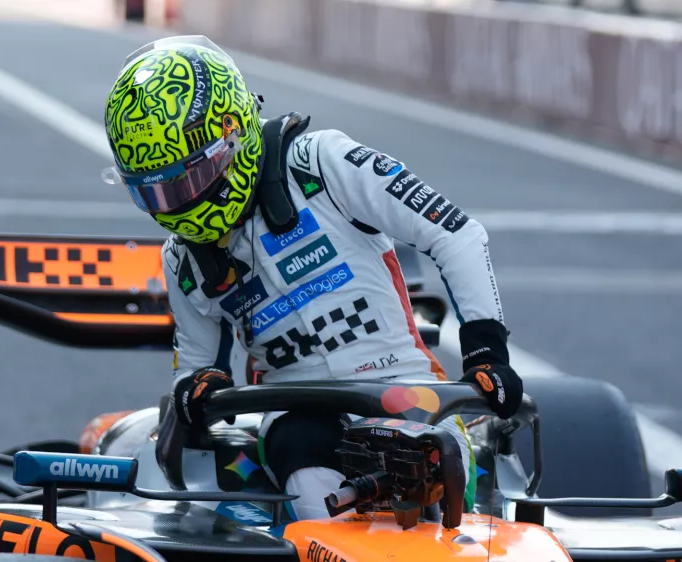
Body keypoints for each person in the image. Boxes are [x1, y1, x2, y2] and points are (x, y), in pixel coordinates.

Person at [101, 35, 523, 521]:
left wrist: (487, 350)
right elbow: (194, 370)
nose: (179, 204)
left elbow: (458, 233)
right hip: (293, 418)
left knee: (430, 471)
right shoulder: (182, 261)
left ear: (233, 130)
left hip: (406, 393)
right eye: (159, 193)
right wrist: (194, 388)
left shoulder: (322, 163)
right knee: (311, 492)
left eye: (189, 181)